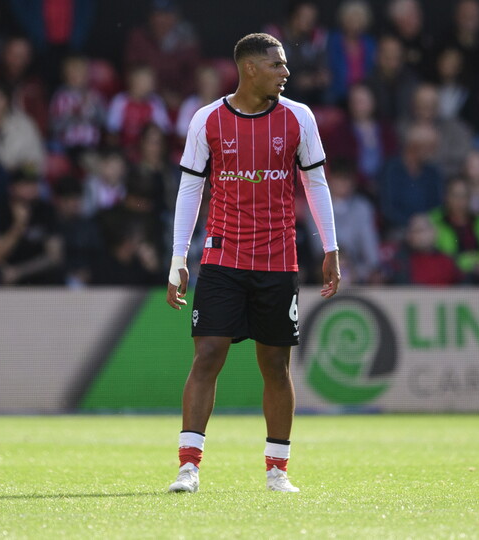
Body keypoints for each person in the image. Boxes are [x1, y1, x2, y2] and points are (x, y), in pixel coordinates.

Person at [165, 33, 339, 495]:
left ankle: (277, 470)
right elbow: (190, 190)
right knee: (207, 356)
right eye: (277, 64)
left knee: (276, 365)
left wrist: (331, 248)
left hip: (279, 261)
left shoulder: (299, 117)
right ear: (249, 69)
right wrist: (179, 257)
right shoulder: (208, 120)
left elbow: (315, 184)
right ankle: (188, 466)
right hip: (223, 257)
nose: (286, 72)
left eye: (284, 65)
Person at [429, 176, 479, 283]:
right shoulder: (435, 221)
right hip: (449, 278)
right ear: (447, 197)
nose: (460, 201)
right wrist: (469, 263)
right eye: (455, 196)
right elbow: (441, 255)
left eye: (464, 196)